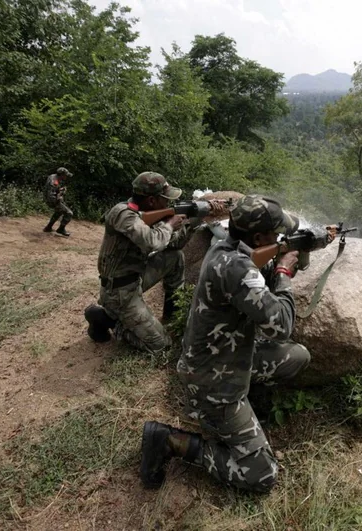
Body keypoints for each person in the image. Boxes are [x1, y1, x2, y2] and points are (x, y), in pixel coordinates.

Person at [140, 195, 325, 493]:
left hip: (226, 355)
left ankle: (249, 408)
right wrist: (283, 270)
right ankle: (170, 441)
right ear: (257, 236)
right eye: (275, 234)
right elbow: (280, 326)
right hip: (213, 382)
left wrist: (292, 249)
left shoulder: (227, 248)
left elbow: (252, 282)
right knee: (262, 475)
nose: (280, 238)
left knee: (297, 356)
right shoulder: (237, 267)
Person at [84, 171, 225, 351]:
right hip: (119, 290)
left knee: (175, 258)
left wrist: (197, 217)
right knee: (160, 346)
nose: (169, 203)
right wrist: (169, 224)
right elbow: (152, 242)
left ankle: (172, 314)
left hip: (137, 278)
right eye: (165, 199)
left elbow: (175, 245)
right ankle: (106, 319)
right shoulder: (123, 214)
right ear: (152, 200)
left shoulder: (151, 214)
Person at [43, 167, 74, 237]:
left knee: (59, 211)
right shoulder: (55, 182)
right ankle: (61, 229)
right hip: (51, 200)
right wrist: (59, 198)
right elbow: (51, 195)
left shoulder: (53, 176)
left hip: (48, 199)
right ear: (62, 175)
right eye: (65, 175)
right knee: (69, 213)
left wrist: (60, 190)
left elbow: (52, 190)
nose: (66, 177)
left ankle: (48, 227)